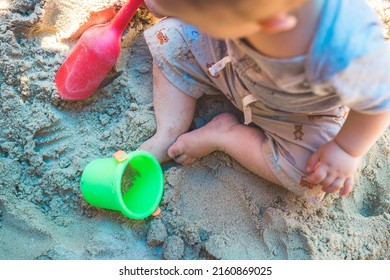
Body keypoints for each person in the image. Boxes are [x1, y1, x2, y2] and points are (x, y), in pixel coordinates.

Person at [138, 0, 390, 203]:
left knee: (309, 175)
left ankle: (224, 135)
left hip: (298, 112)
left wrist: (346, 149)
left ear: (271, 22)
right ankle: (168, 132)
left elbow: (381, 101)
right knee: (169, 38)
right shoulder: (245, 9)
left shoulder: (344, 46)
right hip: (226, 61)